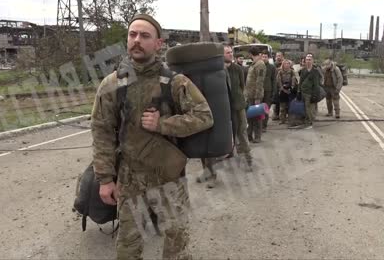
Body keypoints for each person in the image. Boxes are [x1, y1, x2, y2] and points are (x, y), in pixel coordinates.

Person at [91, 14, 214, 260]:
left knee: (176, 241)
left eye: (145, 36)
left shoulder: (175, 82)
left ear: (158, 44)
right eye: (132, 34)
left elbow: (204, 116)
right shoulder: (112, 84)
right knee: (128, 244)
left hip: (169, 176)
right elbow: (101, 130)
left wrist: (163, 125)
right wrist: (105, 178)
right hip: (130, 177)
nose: (137, 40)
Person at [244, 46, 266, 143]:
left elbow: (259, 81)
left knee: (257, 117)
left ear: (251, 54)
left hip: (255, 95)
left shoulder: (260, 64)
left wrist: (257, 97)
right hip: (250, 95)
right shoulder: (254, 64)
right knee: (250, 117)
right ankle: (249, 135)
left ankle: (257, 136)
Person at [295, 53, 320, 129]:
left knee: (309, 109)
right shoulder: (303, 70)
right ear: (305, 61)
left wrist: (315, 95)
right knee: (304, 108)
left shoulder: (315, 71)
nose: (308, 61)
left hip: (310, 93)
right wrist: (298, 91)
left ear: (312, 61)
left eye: (310, 60)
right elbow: (301, 82)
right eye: (307, 60)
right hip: (303, 92)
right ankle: (305, 121)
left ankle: (309, 123)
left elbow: (316, 85)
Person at [276, 59, 298, 124]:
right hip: (282, 91)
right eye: (285, 63)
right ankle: (282, 120)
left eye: (288, 63)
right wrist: (282, 89)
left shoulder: (292, 72)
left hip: (290, 91)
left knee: (290, 106)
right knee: (282, 107)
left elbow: (294, 80)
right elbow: (278, 81)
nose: (286, 65)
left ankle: (291, 120)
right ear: (283, 65)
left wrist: (291, 87)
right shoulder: (280, 72)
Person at [261, 50, 276, 131]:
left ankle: (264, 125)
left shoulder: (272, 67)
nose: (264, 58)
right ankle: (260, 124)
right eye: (263, 57)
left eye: (265, 57)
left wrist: (274, 92)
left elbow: (274, 80)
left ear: (268, 58)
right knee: (259, 108)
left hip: (268, 90)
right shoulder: (258, 66)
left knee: (266, 108)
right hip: (260, 91)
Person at [271, 52, 285, 121]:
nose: (278, 57)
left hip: (284, 86)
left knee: (283, 102)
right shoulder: (273, 66)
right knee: (276, 101)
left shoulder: (286, 64)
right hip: (275, 86)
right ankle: (276, 114)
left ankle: (283, 115)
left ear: (283, 57)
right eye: (277, 56)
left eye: (280, 56)